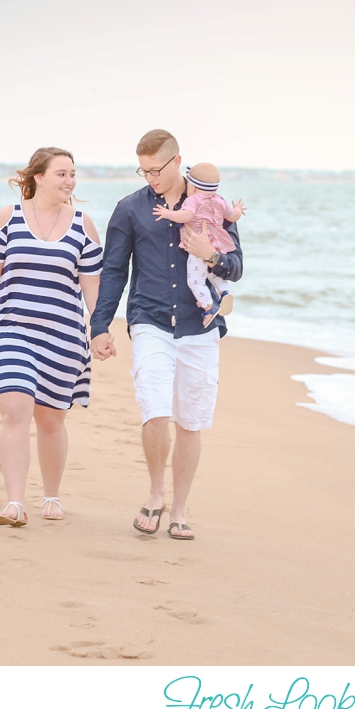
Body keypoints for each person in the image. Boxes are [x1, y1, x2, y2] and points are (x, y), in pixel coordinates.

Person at [89, 130, 243, 540]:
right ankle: (156, 493)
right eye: (143, 170)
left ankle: (179, 510)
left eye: (156, 169)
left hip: (200, 326)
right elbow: (114, 272)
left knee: (190, 422)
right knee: (155, 409)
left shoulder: (212, 207)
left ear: (177, 162)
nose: (149, 177)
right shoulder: (129, 209)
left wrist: (208, 255)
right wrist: (99, 326)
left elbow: (236, 267)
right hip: (150, 319)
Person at [0, 147, 103, 528]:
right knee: (16, 409)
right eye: (61, 173)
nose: (70, 181)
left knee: (52, 419)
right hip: (12, 329)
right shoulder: (10, 217)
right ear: (38, 177)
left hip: (63, 337)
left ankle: (51, 496)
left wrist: (100, 329)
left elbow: (92, 285)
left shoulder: (83, 224)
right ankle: (14, 503)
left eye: (73, 174)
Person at [153, 162, 246, 327]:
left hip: (197, 244)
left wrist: (167, 213)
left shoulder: (193, 199)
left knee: (195, 281)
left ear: (193, 188)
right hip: (217, 243)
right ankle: (224, 292)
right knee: (212, 271)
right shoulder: (219, 200)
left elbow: (186, 216)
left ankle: (208, 307)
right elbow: (232, 216)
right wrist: (237, 208)